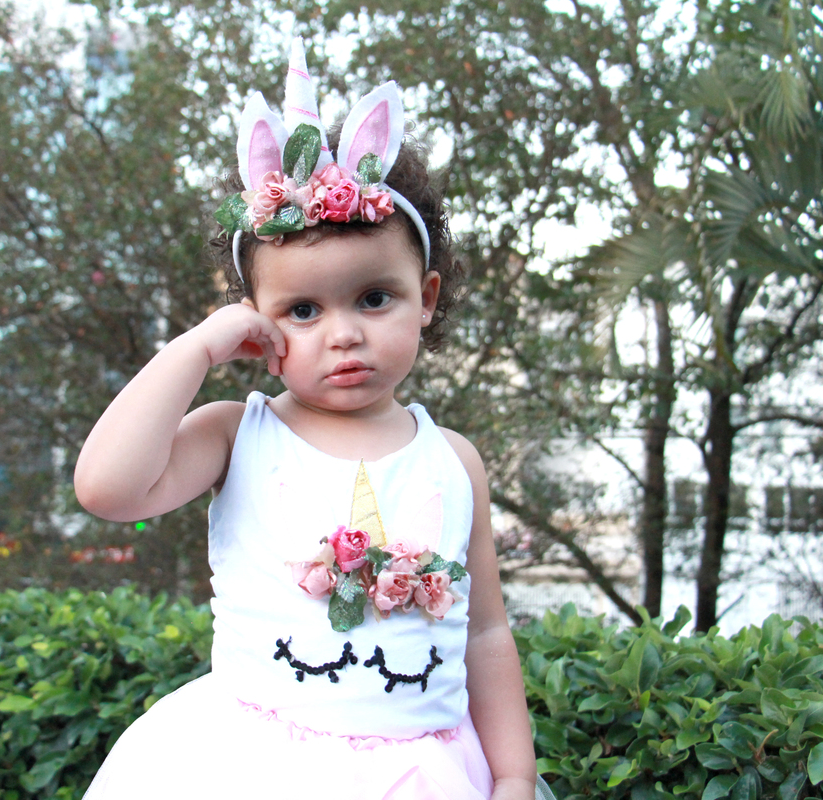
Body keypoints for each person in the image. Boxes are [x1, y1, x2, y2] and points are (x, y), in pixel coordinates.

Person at [75, 38, 550, 800]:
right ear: (255, 318)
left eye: (374, 298)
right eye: (302, 310)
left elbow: (486, 632)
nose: (343, 334)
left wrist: (515, 773)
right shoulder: (239, 436)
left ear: (426, 298)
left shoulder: (454, 461)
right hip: (254, 772)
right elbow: (107, 488)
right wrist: (197, 349)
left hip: (422, 775)